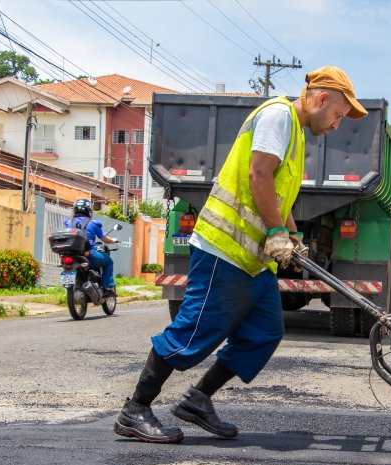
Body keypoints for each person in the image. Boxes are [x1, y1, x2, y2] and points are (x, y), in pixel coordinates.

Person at [114, 66, 368, 444]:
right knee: (193, 331)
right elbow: (258, 175)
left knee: (265, 332)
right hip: (224, 249)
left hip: (251, 260)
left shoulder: (296, 133)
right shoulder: (278, 116)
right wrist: (277, 232)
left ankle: (198, 399)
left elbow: (278, 194)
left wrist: (292, 234)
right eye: (338, 116)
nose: (336, 126)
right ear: (322, 98)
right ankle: (135, 409)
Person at [65, 198, 118, 297]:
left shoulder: (68, 222)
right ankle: (106, 287)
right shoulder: (93, 223)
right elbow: (105, 239)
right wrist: (113, 240)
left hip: (71, 255)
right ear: (89, 210)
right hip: (89, 254)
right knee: (109, 262)